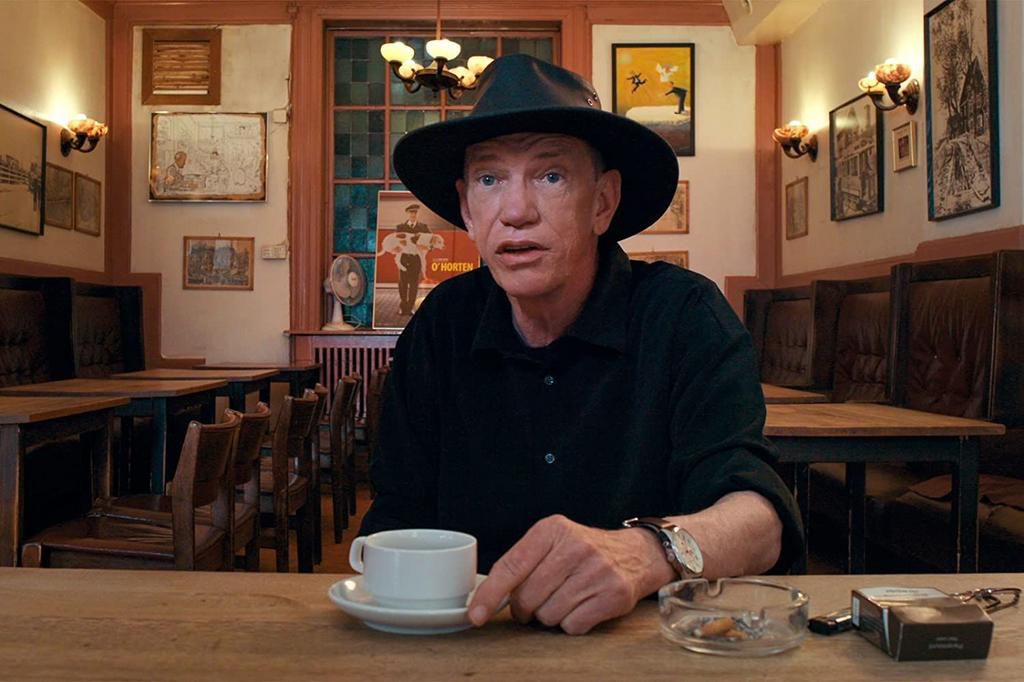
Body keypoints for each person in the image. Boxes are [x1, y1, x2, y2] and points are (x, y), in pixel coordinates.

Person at [359, 54, 803, 636]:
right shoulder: (442, 324)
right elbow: (396, 511)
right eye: (490, 180)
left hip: (646, 645)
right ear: (466, 208)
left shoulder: (684, 316)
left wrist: (649, 552)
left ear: (602, 202)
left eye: (551, 176)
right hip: (467, 640)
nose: (515, 212)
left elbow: (761, 520)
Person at [394, 204, 432, 315]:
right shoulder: (400, 227)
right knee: (403, 284)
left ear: (417, 214)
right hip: (404, 259)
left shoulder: (423, 227)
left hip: (416, 259)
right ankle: (403, 307)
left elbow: (431, 241)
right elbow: (396, 242)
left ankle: (410, 307)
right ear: (407, 213)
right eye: (411, 212)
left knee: (414, 285)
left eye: (415, 212)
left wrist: (427, 248)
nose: (413, 215)